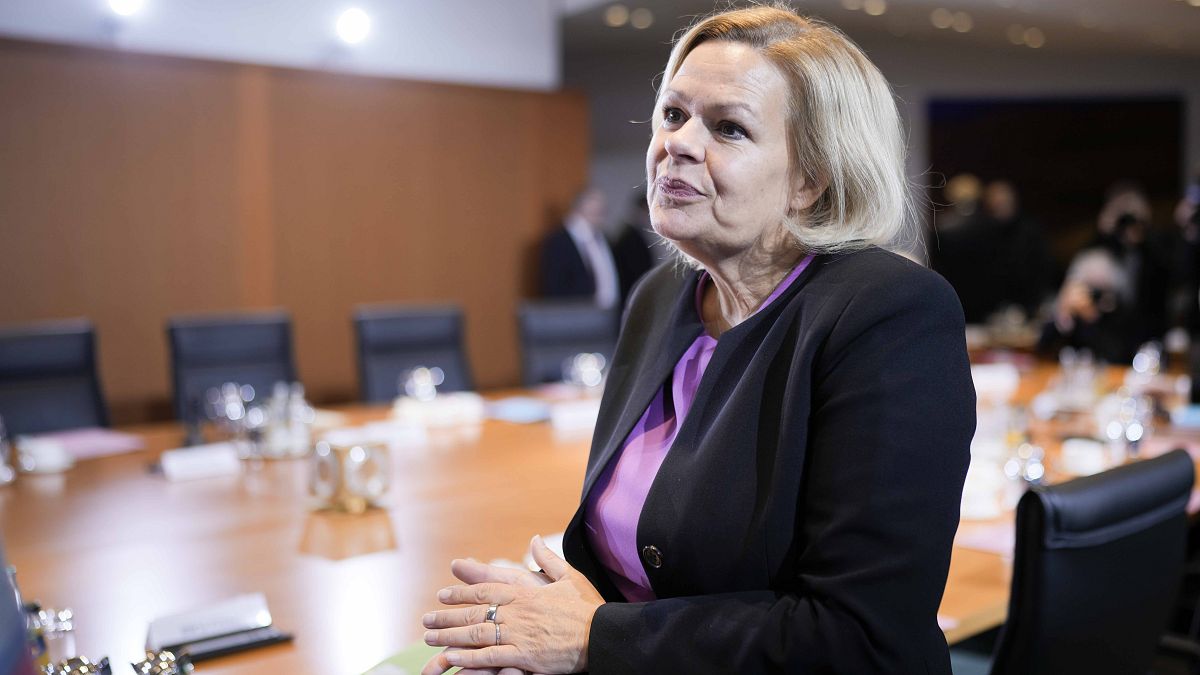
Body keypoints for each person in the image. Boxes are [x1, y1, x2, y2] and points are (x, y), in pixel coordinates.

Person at [422, 6, 975, 674]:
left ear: (811, 180)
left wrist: (594, 636)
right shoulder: (660, 296)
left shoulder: (887, 312)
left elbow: (859, 636)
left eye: (728, 127)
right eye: (673, 113)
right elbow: (633, 567)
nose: (677, 143)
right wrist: (544, 613)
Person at [1040, 182, 1173, 362]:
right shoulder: (1092, 257)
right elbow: (1048, 336)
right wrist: (1066, 315)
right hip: (1091, 359)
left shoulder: (1151, 259)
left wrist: (1144, 229)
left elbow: (1165, 276)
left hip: (1140, 353)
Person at [539, 187, 622, 310]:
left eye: (601, 211)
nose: (600, 215)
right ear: (578, 209)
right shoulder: (558, 242)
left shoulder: (602, 238)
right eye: (595, 210)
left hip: (609, 313)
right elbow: (555, 287)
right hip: (575, 313)